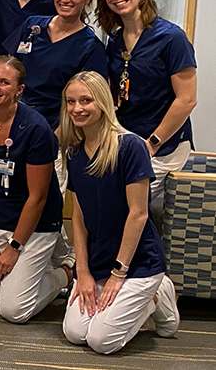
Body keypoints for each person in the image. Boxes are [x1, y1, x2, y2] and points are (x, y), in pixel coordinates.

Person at [59, 71, 179, 354]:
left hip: (136, 261)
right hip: (98, 259)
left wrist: (118, 273)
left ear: (103, 102)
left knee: (102, 341)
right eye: (71, 101)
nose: (78, 108)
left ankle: (156, 297)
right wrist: (83, 271)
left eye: (86, 100)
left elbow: (138, 214)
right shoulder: (74, 154)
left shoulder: (131, 147)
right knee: (76, 333)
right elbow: (78, 216)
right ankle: (132, 298)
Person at [0, 56, 70, 323]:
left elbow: (38, 197)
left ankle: (66, 271)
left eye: (4, 82)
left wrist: (14, 247)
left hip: (35, 222)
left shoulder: (36, 129)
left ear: (19, 90)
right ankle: (28, 270)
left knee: (15, 310)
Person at [97, 0, 196, 223]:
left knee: (129, 214)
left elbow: (187, 99)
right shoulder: (115, 40)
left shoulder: (171, 37)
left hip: (162, 145)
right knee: (110, 208)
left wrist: (152, 143)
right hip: (126, 140)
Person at [3, 0, 105, 131]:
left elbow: (87, 103)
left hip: (57, 126)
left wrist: (56, 137)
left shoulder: (91, 47)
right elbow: (8, 71)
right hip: (15, 117)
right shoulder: (31, 26)